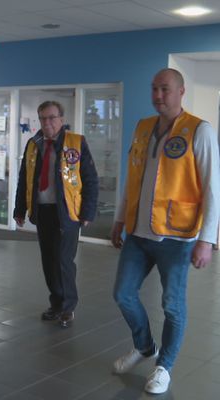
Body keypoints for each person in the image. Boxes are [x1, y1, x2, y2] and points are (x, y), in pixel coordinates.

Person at [111, 68, 220, 395]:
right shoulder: (142, 128)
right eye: (154, 88)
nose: (159, 95)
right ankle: (145, 347)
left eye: (166, 89)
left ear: (181, 91)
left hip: (177, 236)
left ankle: (164, 366)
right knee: (123, 295)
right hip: (139, 234)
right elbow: (132, 178)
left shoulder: (199, 130)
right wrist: (118, 219)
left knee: (172, 305)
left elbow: (213, 189)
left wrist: (207, 239)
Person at [13, 100, 98, 328]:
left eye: (52, 118)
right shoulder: (34, 144)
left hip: (68, 212)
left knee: (64, 261)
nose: (47, 122)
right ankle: (56, 303)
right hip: (43, 211)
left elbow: (90, 179)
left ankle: (68, 307)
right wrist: (19, 209)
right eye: (43, 118)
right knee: (48, 261)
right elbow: (25, 179)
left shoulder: (76, 143)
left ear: (61, 119)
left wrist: (88, 212)